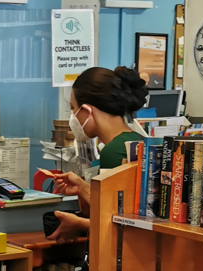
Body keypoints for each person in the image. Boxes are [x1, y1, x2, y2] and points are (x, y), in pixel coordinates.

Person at [47, 66, 148, 242]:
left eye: (73, 109)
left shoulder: (113, 151)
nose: (73, 117)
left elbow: (114, 223)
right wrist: (82, 187)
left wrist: (78, 223)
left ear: (87, 110)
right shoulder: (136, 139)